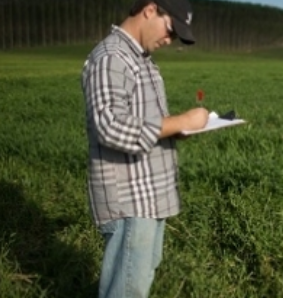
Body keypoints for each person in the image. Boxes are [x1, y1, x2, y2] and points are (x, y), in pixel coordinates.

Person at [80, 0, 208, 297]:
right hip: (129, 199)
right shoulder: (111, 57)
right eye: (170, 30)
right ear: (150, 9)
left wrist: (177, 130)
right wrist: (181, 120)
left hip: (148, 197)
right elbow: (110, 126)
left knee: (136, 283)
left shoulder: (141, 59)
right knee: (127, 290)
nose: (169, 39)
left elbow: (145, 123)